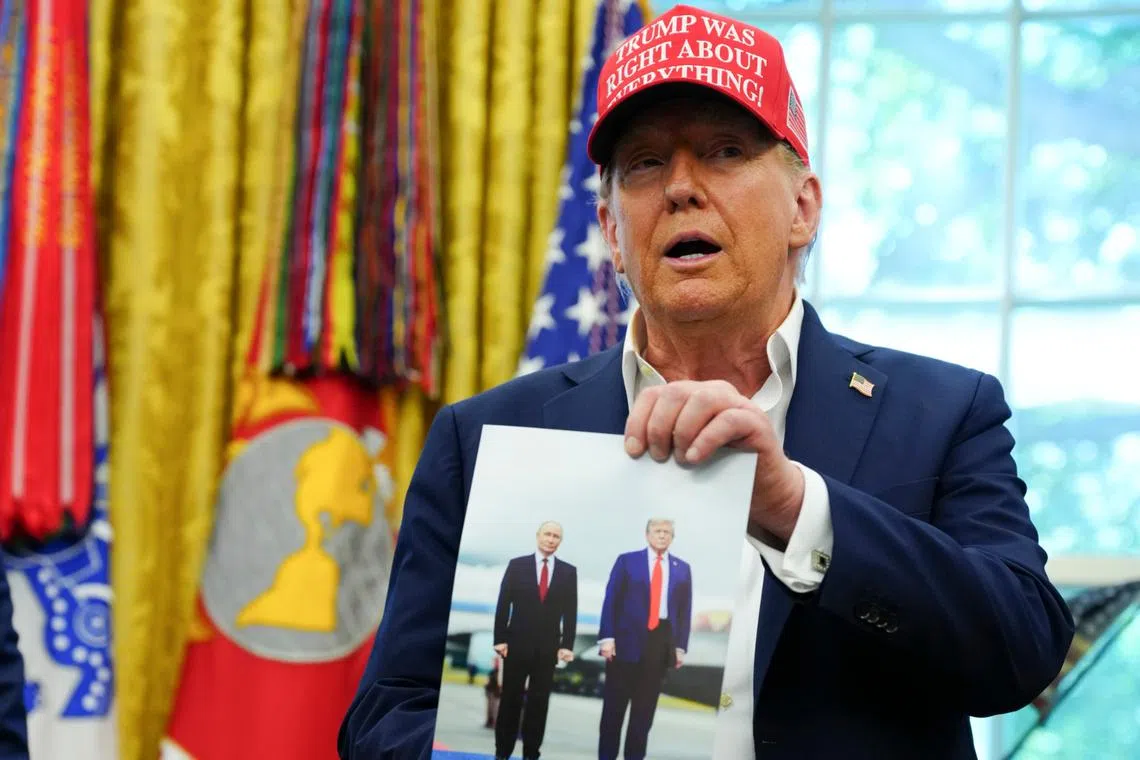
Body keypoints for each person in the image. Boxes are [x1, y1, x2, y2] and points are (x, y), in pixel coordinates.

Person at [338, 5, 1075, 758]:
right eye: (646, 164)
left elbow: (1020, 651)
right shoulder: (487, 439)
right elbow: (386, 722)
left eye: (724, 152)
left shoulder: (945, 412)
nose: (681, 188)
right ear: (612, 234)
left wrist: (795, 508)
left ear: (803, 207)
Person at [596, 519, 691, 760]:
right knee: (613, 712)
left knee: (643, 714)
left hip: (660, 644)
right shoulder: (627, 561)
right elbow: (611, 600)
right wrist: (607, 638)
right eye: (657, 531)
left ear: (672, 537)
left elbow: (684, 611)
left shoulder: (682, 568)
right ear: (647, 535)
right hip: (625, 644)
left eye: (667, 532)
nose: (662, 535)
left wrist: (680, 647)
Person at [490, 521, 577, 760]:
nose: (551, 539)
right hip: (516, 646)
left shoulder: (569, 572)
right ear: (538, 536)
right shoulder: (517, 566)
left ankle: (531, 754)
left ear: (560, 541)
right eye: (547, 534)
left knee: (539, 705)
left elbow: (571, 612)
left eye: (556, 536)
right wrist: (500, 638)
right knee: (510, 702)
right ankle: (502, 753)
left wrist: (567, 644)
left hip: (548, 649)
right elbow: (503, 603)